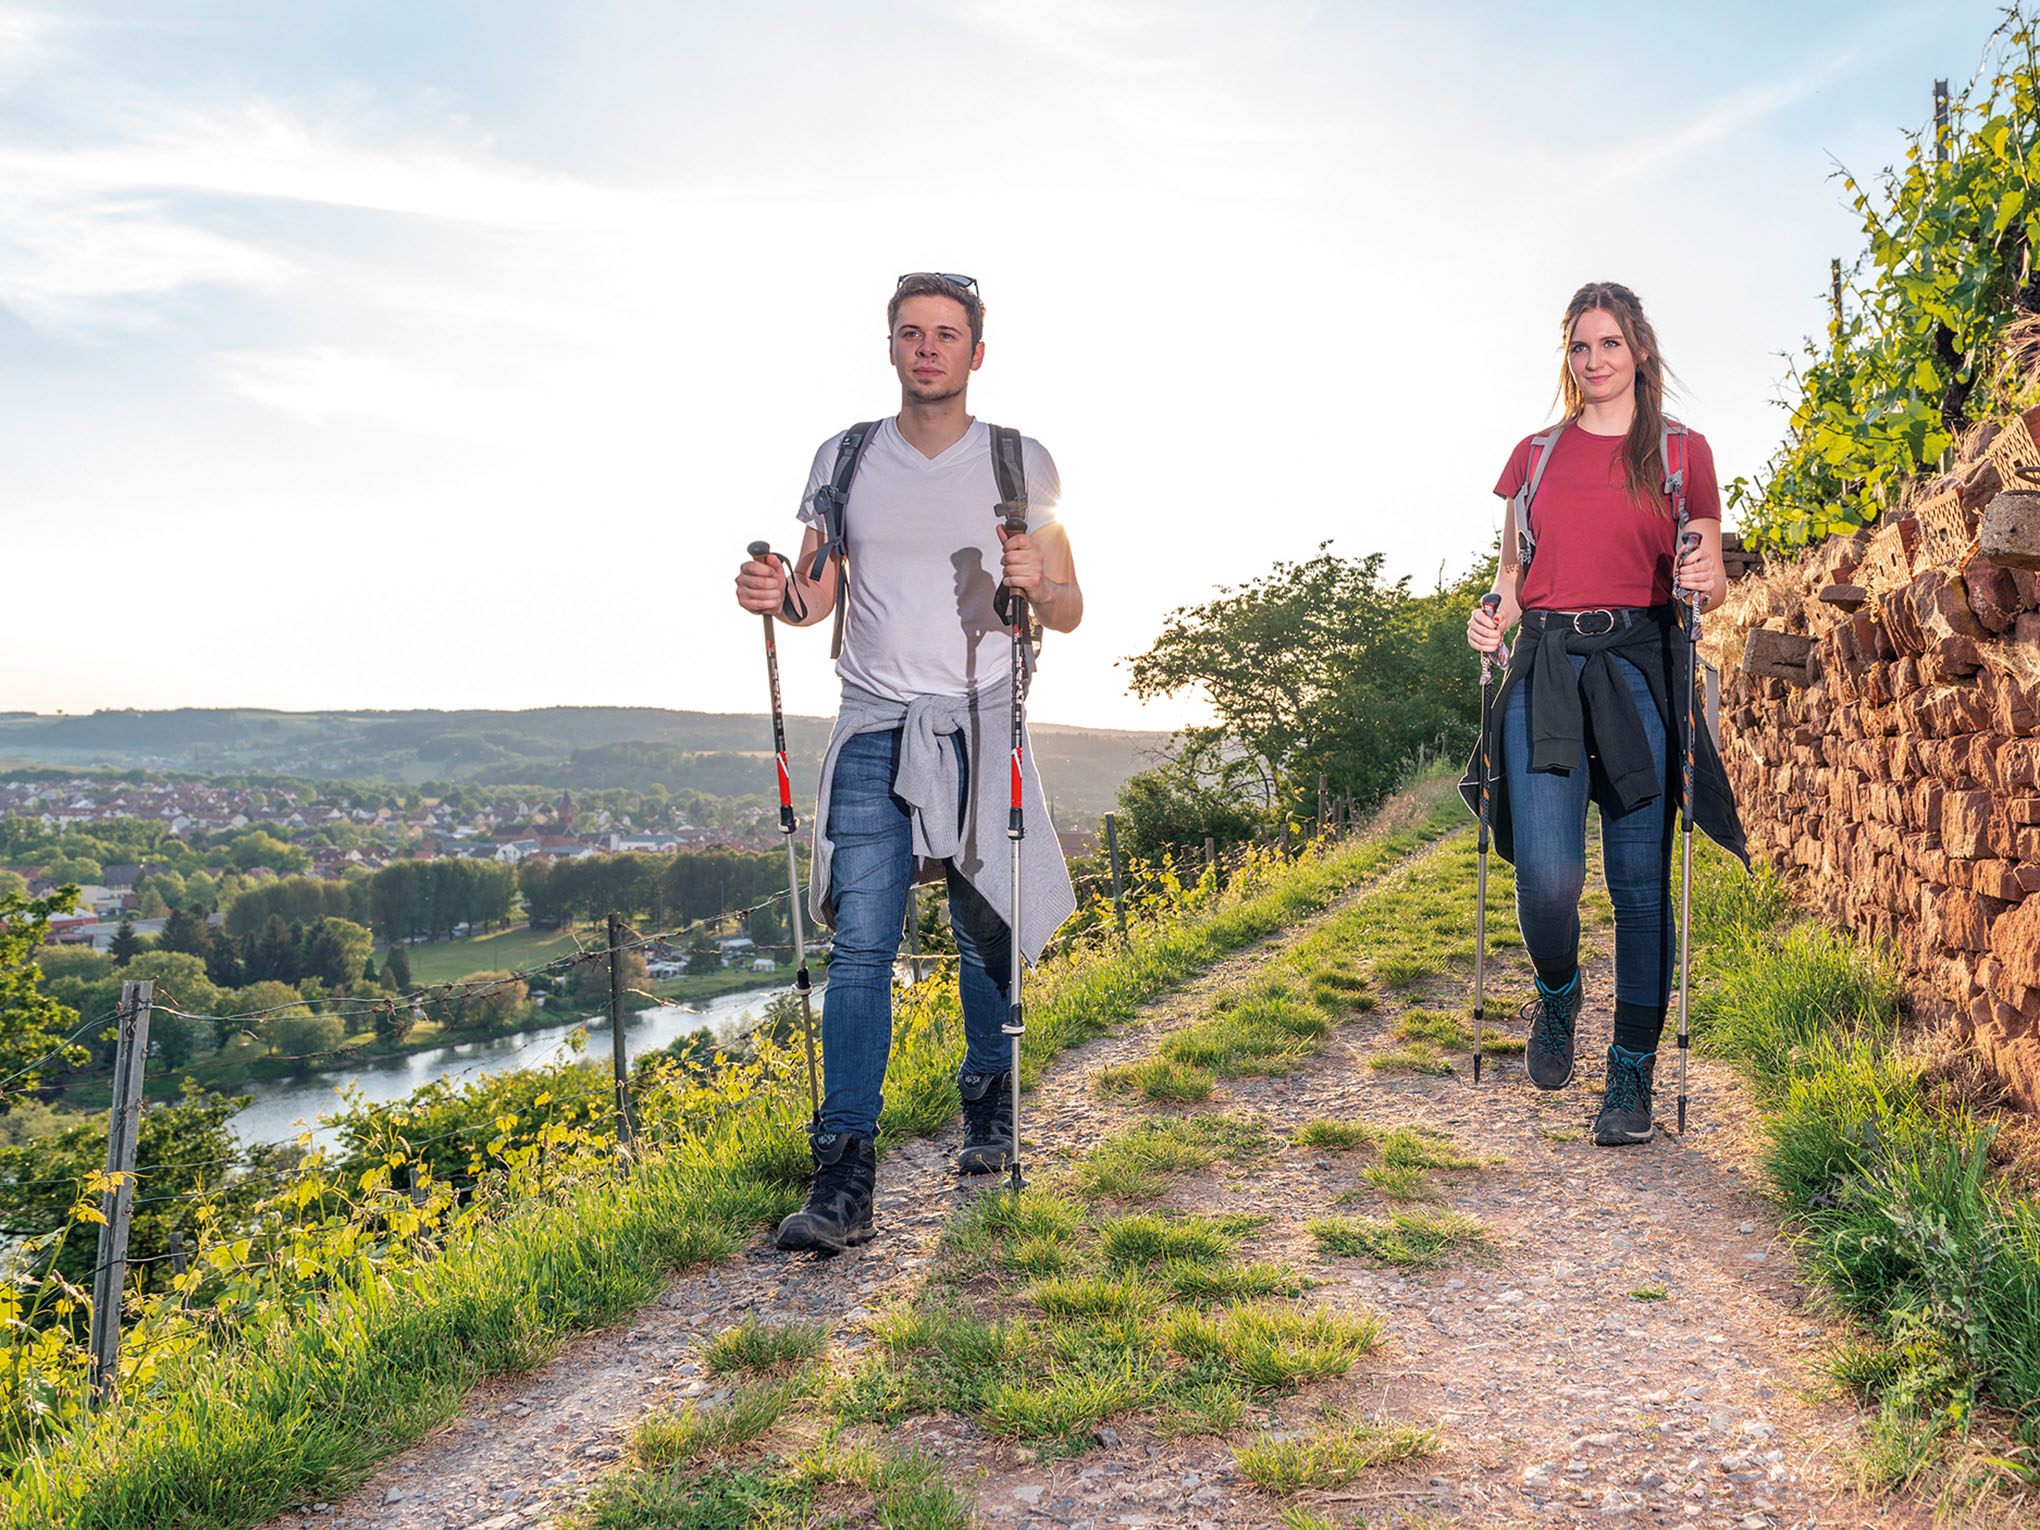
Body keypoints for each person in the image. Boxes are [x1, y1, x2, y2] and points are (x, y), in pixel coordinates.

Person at [733, 272, 1082, 1250]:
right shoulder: (844, 459)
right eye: (910, 333)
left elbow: (1070, 605)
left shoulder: (1020, 461)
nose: (928, 348)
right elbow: (812, 599)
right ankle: (843, 1178)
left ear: (977, 352)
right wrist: (773, 593)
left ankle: (987, 1103)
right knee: (860, 949)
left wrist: (1038, 577)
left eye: (947, 333)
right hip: (874, 722)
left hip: (979, 723)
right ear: (892, 348)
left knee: (984, 932)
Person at [1462, 281, 1747, 1147]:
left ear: (1640, 351)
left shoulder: (1680, 452)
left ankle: (1631, 1073)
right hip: (1545, 666)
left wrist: (1704, 578)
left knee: (1638, 888)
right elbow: (1513, 579)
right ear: (1569, 356)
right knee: (1547, 878)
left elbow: (1711, 573)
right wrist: (1491, 614)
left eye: (1610, 345)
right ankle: (1557, 990)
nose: (1594, 362)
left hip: (1637, 667)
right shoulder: (1534, 456)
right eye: (1581, 347)